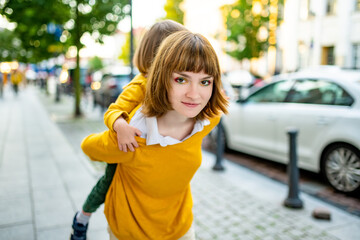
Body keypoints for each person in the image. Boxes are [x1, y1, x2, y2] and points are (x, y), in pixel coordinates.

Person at [81, 31, 228, 239]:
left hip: (181, 228)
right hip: (132, 232)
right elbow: (88, 146)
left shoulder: (208, 119)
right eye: (181, 79)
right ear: (160, 76)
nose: (195, 95)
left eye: (205, 82)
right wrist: (118, 126)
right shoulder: (133, 137)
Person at [70, 20, 187, 240]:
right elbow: (114, 110)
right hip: (126, 144)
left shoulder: (174, 84)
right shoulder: (140, 84)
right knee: (107, 182)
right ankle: (82, 217)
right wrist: (120, 125)